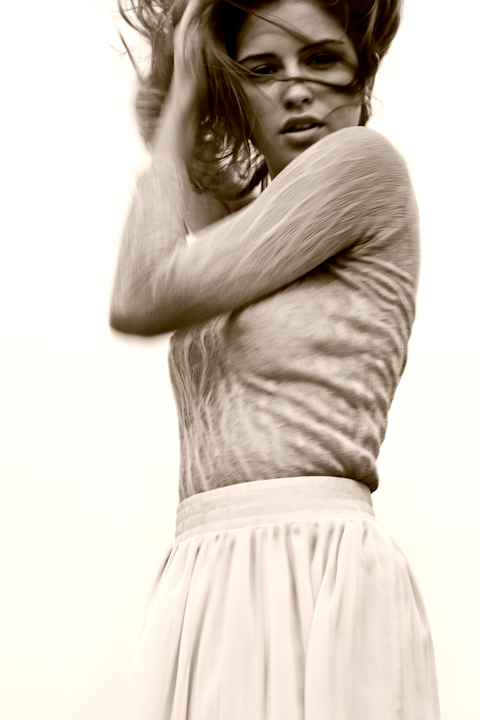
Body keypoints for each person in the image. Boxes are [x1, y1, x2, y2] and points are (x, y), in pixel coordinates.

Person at [110, 0, 441, 717]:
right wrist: (184, 95)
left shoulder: (363, 166)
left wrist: (185, 101)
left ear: (361, 80)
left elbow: (143, 292)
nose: (295, 89)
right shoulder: (262, 225)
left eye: (322, 60)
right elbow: (186, 182)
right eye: (263, 70)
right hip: (206, 566)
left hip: (312, 563)